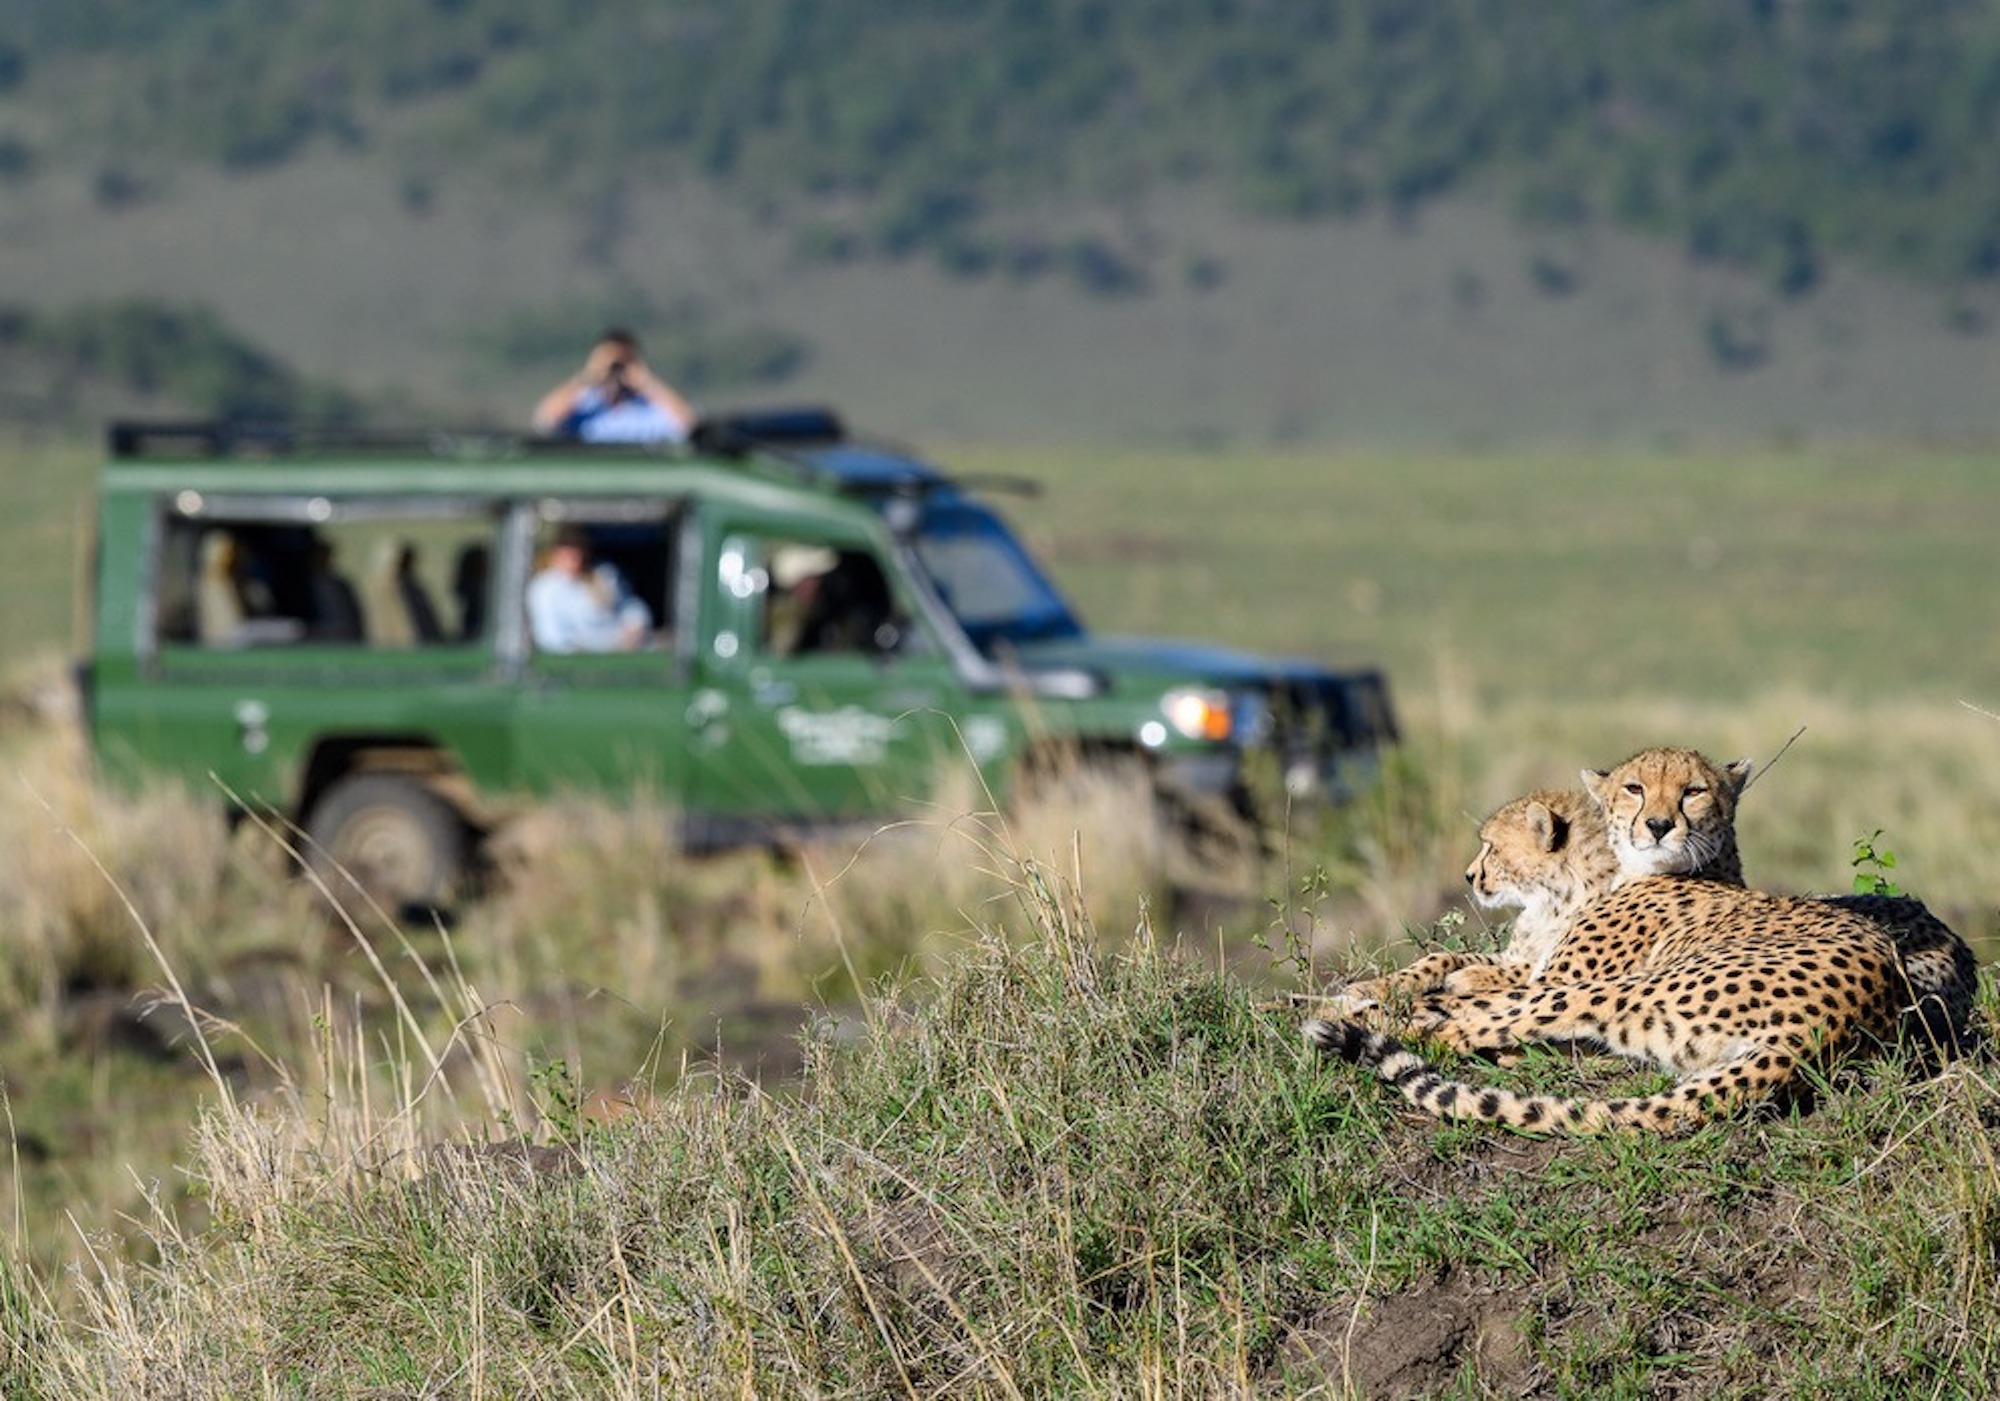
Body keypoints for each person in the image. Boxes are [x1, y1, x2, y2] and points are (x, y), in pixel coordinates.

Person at [532, 328, 697, 444]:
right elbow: (544, 420)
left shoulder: (650, 408)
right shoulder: (582, 406)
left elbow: (689, 425)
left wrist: (646, 382)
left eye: (622, 364)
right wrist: (587, 377)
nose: (615, 372)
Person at [526, 525, 652, 653]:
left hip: (622, 653)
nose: (575, 557)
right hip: (579, 660)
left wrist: (635, 625)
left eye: (579, 549)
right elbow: (551, 638)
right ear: (555, 553)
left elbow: (631, 606)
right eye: (568, 551)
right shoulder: (543, 587)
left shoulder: (604, 573)